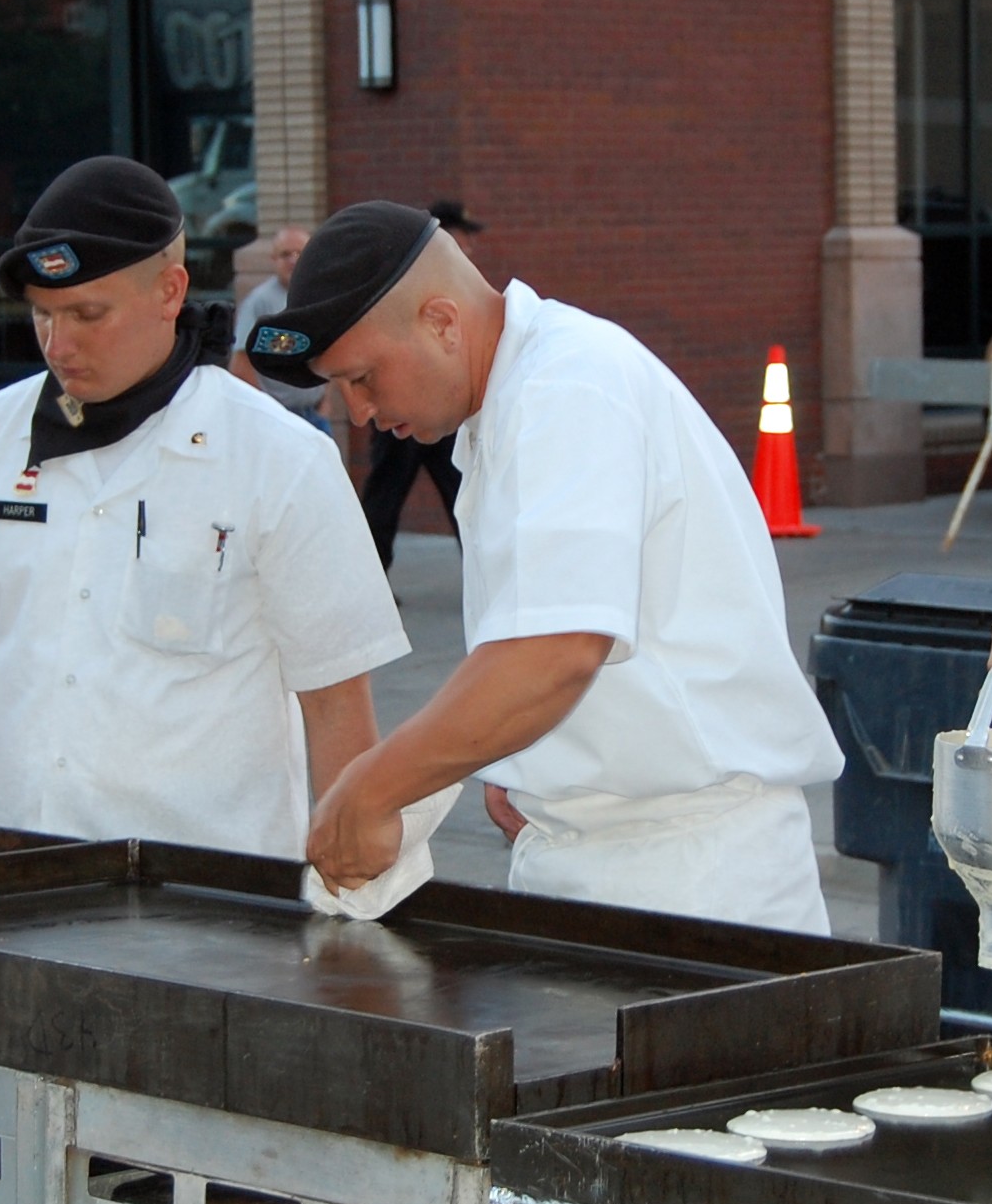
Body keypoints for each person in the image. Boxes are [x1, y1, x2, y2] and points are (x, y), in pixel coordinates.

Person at [0, 157, 409, 859]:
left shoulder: (278, 457)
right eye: (42, 314)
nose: (58, 345)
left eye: (88, 314)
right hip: (14, 866)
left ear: (170, 290)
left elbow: (337, 698)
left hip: (205, 896)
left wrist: (354, 880)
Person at [249, 200, 843, 932]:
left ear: (441, 321)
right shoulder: (518, 399)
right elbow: (548, 653)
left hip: (690, 878)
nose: (360, 410)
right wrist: (524, 762)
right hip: (613, 860)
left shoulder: (565, 385)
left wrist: (372, 786)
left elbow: (554, 652)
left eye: (364, 376)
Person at [353, 201, 475, 570]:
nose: (470, 246)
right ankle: (370, 578)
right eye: (464, 237)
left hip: (442, 408)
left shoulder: (451, 282)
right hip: (403, 405)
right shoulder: (413, 282)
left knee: (462, 493)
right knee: (386, 496)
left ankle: (480, 572)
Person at [233, 224, 336, 433]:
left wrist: (326, 403)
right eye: (285, 254)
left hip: (315, 417)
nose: (293, 260)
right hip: (276, 421)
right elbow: (240, 364)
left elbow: (334, 352)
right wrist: (266, 410)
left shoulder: (322, 299)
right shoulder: (259, 302)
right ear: (274, 259)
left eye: (300, 253)